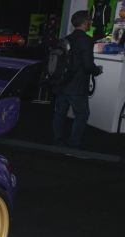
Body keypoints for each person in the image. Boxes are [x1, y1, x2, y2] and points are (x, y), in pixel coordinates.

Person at [52, 10, 103, 148]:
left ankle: (57, 140)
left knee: (60, 113)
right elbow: (88, 65)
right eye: (89, 21)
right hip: (77, 86)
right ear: (85, 22)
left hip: (62, 83)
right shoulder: (86, 40)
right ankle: (74, 144)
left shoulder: (65, 39)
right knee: (82, 115)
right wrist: (98, 70)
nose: (90, 23)